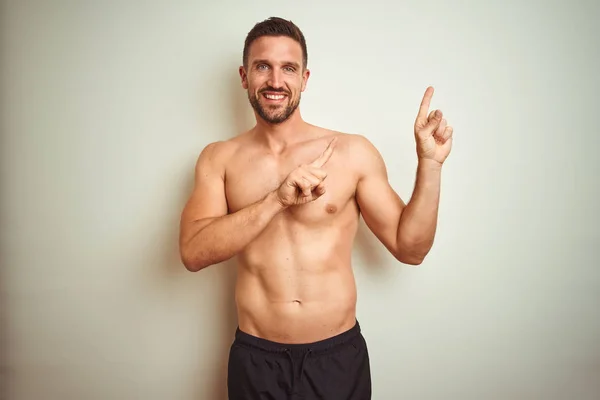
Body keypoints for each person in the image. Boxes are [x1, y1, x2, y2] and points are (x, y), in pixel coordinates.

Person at [179, 16, 453, 400]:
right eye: (263, 66)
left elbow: (411, 249)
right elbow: (192, 252)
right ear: (244, 76)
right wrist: (276, 200)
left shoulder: (352, 152)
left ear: (304, 79)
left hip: (336, 357)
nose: (276, 80)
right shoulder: (219, 160)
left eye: (288, 68)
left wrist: (431, 164)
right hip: (256, 360)